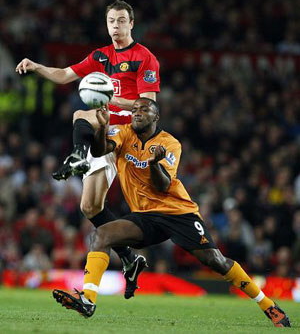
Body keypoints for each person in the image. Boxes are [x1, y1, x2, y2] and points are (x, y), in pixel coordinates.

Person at [53, 98, 290, 327]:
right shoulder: (124, 133)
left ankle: (268, 305)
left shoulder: (170, 143)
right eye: (134, 109)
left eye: (143, 110)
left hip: (178, 213)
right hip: (145, 216)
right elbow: (99, 150)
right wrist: (103, 126)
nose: (136, 112)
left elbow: (163, 185)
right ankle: (88, 300)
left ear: (156, 116)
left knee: (215, 261)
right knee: (101, 235)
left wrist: (155, 163)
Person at [15, 0, 160, 298]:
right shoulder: (101, 56)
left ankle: (79, 155)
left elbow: (150, 106)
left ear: (131, 23)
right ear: (106, 24)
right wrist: (37, 66)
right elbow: (66, 74)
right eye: (111, 21)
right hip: (105, 131)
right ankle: (130, 260)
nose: (116, 26)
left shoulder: (145, 58)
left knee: (81, 114)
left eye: (121, 21)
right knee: (89, 207)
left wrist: (115, 99)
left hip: (129, 135)